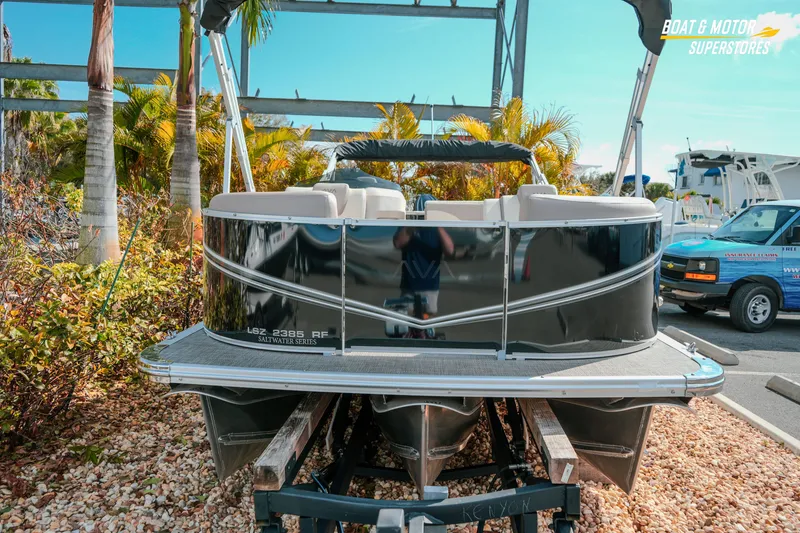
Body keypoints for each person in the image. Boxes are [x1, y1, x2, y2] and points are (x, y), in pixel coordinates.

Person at [392, 195, 455, 317]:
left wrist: (437, 224)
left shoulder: (437, 230)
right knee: (406, 319)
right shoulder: (407, 227)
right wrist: (415, 223)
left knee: (427, 320)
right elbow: (398, 243)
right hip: (409, 287)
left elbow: (450, 250)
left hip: (430, 287)